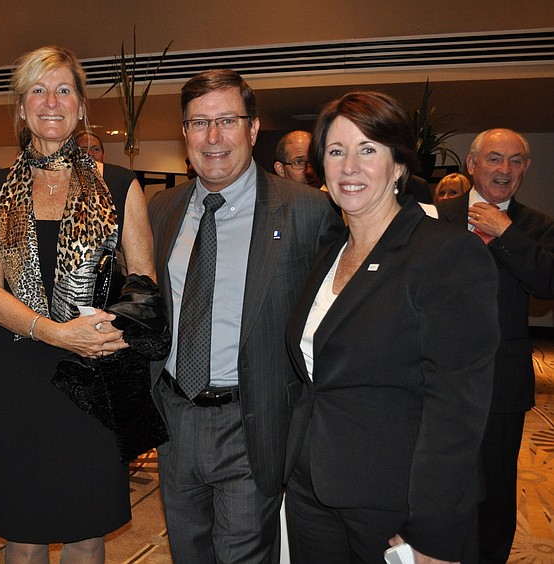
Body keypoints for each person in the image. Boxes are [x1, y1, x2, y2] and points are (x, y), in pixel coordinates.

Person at [284, 91, 499, 563]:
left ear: (399, 165)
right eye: (336, 152)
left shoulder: (446, 254)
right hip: (311, 490)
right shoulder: (329, 253)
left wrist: (434, 531)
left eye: (368, 150)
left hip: (393, 504)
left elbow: (457, 412)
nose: (349, 167)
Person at [147, 69, 343, 563]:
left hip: (252, 422)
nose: (212, 137)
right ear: (184, 133)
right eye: (198, 123)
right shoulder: (162, 208)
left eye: (227, 120)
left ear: (253, 130)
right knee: (188, 552)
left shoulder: (305, 212)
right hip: (174, 419)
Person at [0, 45, 157, 563]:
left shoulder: (119, 186)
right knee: (24, 532)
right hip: (16, 375)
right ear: (21, 107)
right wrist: (53, 333)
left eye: (63, 89)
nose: (50, 101)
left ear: (80, 106)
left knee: (85, 529)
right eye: (37, 89)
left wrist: (107, 332)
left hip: (92, 377)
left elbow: (143, 287)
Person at [436, 128, 554, 563]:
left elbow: (547, 283)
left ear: (526, 168)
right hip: (435, 378)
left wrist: (505, 232)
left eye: (516, 160)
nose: (504, 170)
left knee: (496, 492)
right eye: (494, 159)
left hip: (501, 385)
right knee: (437, 483)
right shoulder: (432, 215)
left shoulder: (537, 227)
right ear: (471, 165)